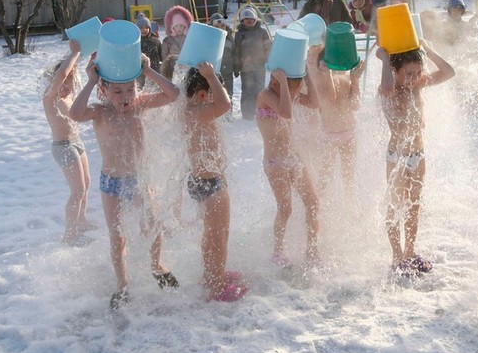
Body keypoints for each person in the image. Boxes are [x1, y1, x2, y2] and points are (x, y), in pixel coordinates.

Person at [69, 53, 181, 309]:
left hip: (139, 178)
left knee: (152, 226)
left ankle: (156, 265)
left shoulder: (140, 104)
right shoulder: (100, 112)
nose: (126, 97)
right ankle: (122, 284)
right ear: (104, 91)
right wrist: (89, 81)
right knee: (117, 236)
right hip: (112, 184)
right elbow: (75, 114)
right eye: (117, 92)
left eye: (130, 89)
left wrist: (149, 72)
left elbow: (173, 95)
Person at [376, 40, 455, 276]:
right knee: (395, 205)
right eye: (408, 73)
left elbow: (449, 72)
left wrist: (428, 49)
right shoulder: (388, 90)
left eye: (418, 72)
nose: (414, 77)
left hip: (417, 155)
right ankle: (396, 256)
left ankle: (410, 252)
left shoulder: (418, 85)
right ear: (395, 71)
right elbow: (388, 87)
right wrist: (385, 60)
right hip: (396, 157)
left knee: (414, 205)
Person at [183, 63, 247, 302]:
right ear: (203, 93)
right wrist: (211, 75)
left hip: (200, 181)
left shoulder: (189, 110)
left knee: (210, 234)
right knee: (220, 237)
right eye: (214, 89)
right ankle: (218, 287)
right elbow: (225, 104)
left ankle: (211, 274)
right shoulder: (201, 111)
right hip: (211, 183)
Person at [255, 69, 321, 268]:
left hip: (293, 157)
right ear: (276, 82)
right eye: (293, 88)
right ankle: (278, 251)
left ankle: (312, 250)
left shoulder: (288, 95)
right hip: (275, 161)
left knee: (313, 202)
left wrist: (308, 76)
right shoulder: (265, 95)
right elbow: (286, 112)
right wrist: (284, 82)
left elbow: (314, 103)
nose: (295, 93)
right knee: (285, 208)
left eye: (296, 89)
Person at [42, 39, 92, 245]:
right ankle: (70, 234)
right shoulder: (50, 98)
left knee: (86, 185)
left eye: (70, 82)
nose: (66, 85)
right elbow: (62, 74)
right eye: (62, 82)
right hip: (63, 147)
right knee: (77, 190)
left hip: (76, 142)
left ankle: (81, 221)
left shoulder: (70, 98)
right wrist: (74, 54)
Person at [305, 44, 367, 198]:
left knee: (348, 176)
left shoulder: (346, 76)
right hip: (329, 134)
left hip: (349, 132)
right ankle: (316, 205)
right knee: (325, 175)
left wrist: (355, 79)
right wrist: (327, 74)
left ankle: (349, 206)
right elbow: (330, 99)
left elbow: (355, 105)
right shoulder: (319, 77)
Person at [233, 7, 272, 120]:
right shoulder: (239, 34)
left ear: (255, 19)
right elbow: (236, 52)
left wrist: (269, 60)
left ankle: (260, 111)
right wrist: (236, 67)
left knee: (259, 90)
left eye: (251, 19)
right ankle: (247, 113)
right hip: (246, 68)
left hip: (260, 67)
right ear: (242, 21)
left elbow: (268, 47)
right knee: (247, 91)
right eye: (246, 19)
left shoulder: (262, 32)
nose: (249, 21)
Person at [209, 13, 235, 98]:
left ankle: (229, 109)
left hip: (227, 72)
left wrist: (236, 66)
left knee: (228, 94)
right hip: (212, 74)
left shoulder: (230, 39)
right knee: (213, 95)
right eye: (217, 26)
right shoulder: (208, 40)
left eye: (222, 26)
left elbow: (235, 54)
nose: (220, 29)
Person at [136, 13, 162, 89]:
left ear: (150, 29)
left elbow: (161, 56)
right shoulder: (136, 42)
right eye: (141, 28)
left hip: (155, 71)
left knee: (155, 89)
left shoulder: (155, 41)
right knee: (141, 89)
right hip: (140, 73)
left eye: (146, 27)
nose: (144, 30)